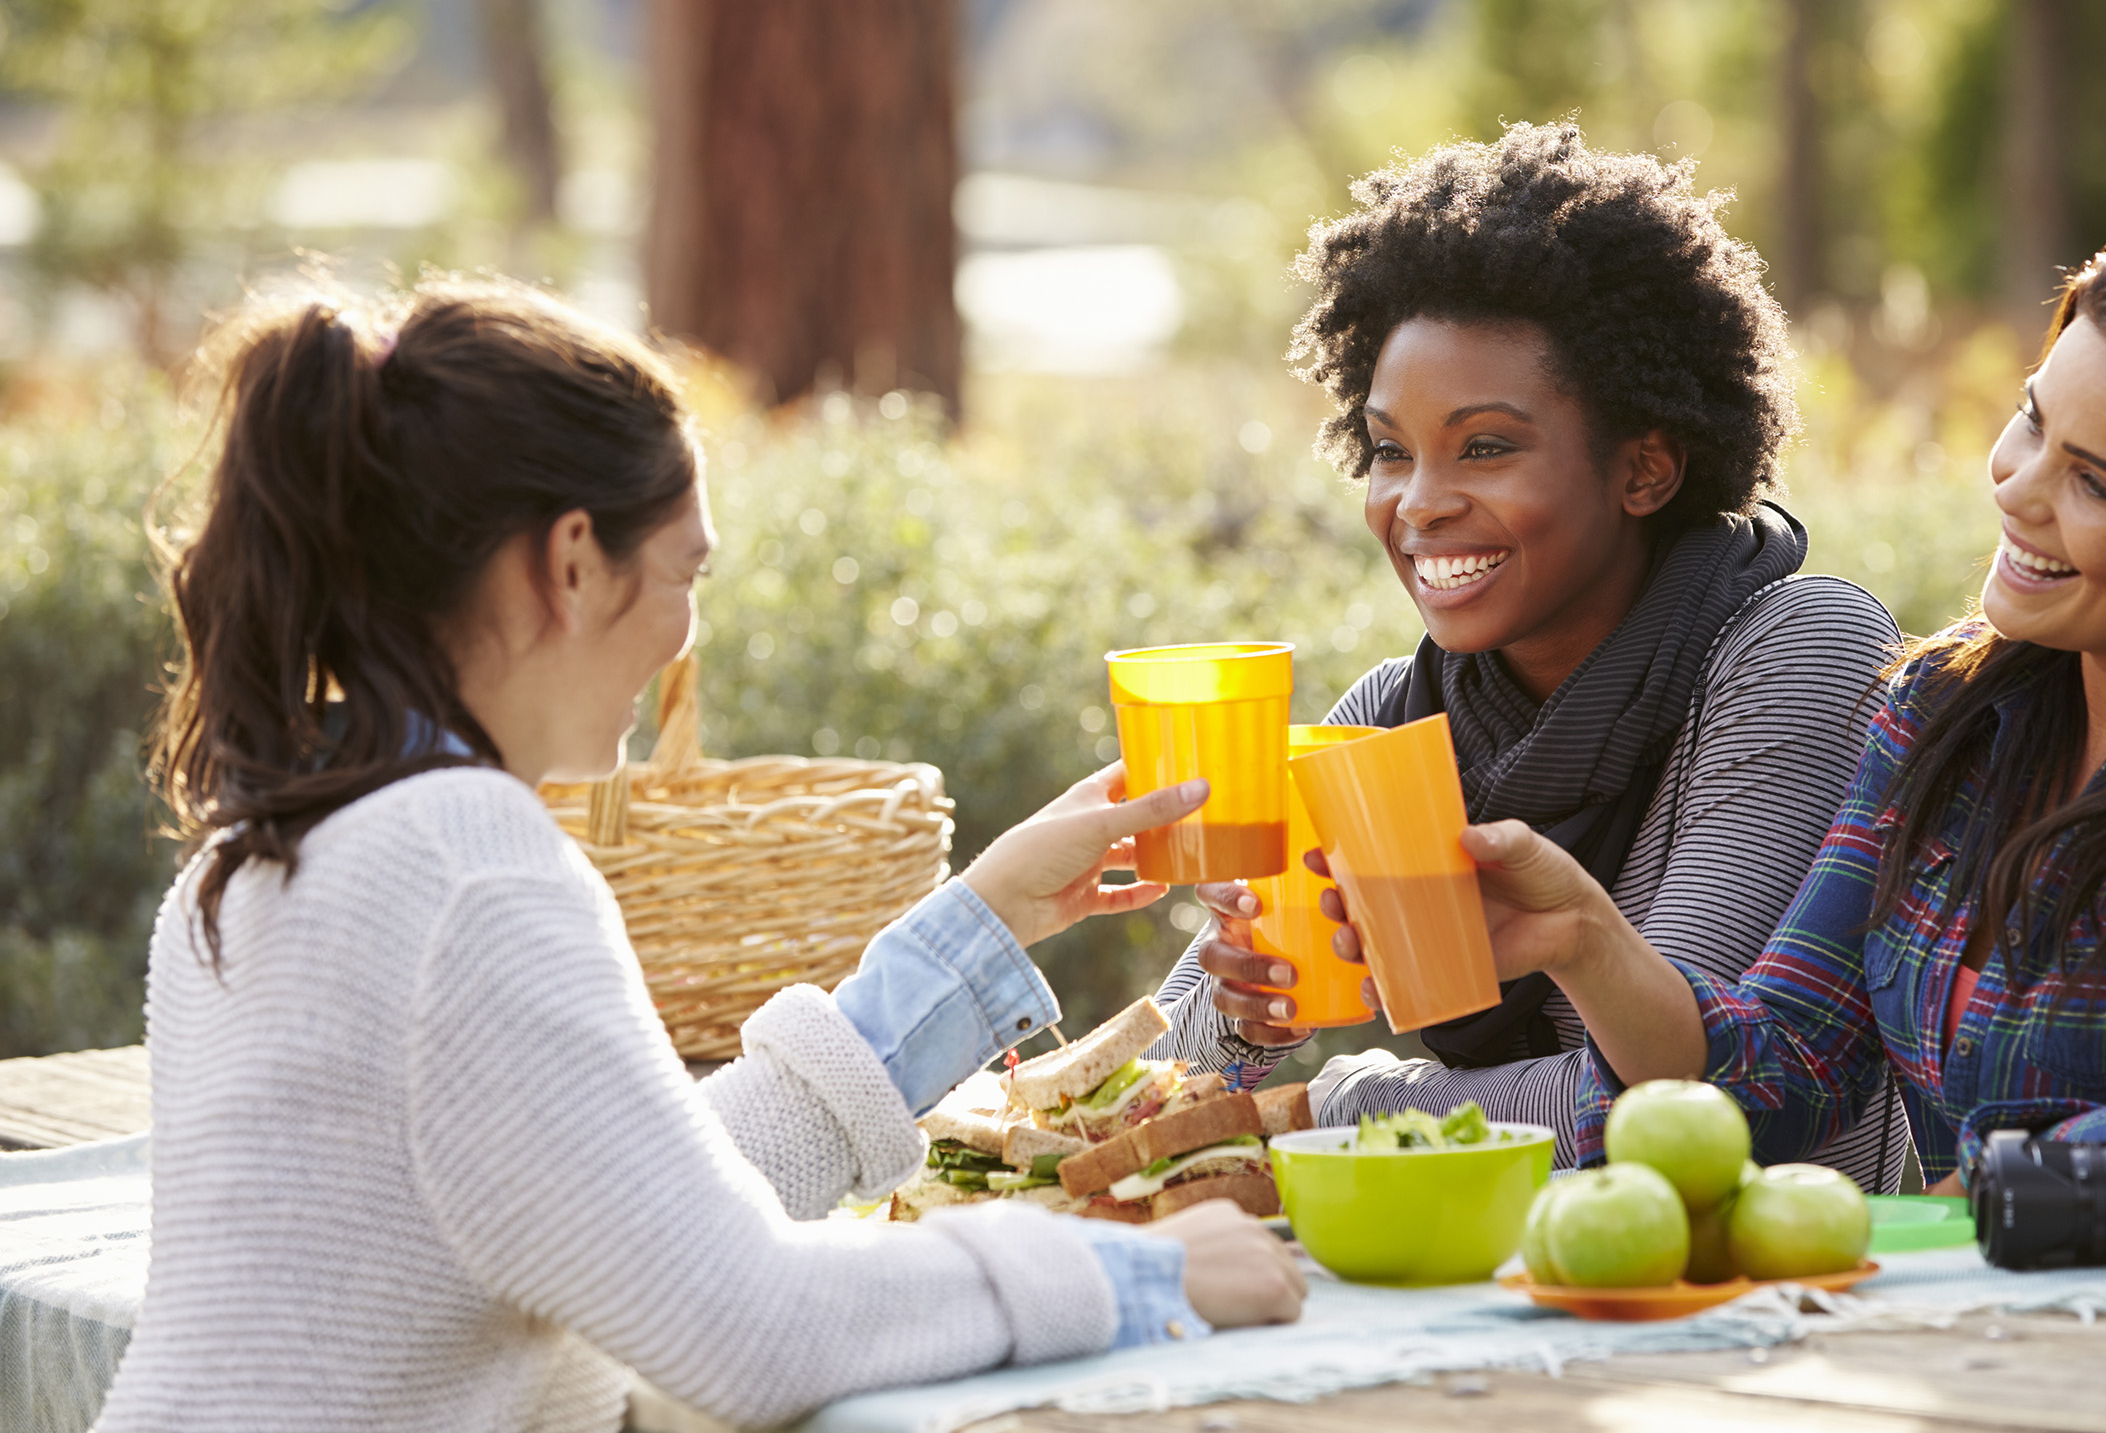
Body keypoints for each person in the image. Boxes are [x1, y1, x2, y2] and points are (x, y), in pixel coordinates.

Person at [99, 281, 1302, 1433]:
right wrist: (1133, 1271)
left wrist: (982, 923)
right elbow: (749, 1324)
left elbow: (630, 1203)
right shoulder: (470, 868)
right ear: (572, 561)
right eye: (688, 571)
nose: (688, 636)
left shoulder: (260, 860)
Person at [1319, 217, 2106, 1240]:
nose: (2019, 489)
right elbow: (1777, 1069)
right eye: (2032, 419)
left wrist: (1939, 1216)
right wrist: (1583, 940)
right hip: (1968, 1336)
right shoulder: (1947, 718)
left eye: (2098, 485)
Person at [1149, 121, 1911, 1186]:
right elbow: (1148, 1097)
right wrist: (1244, 1020)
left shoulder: (1797, 653)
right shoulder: (1397, 717)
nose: (1419, 504)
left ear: (1643, 469)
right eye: (1389, 450)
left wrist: (1333, 1104)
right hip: (1506, 1304)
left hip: (1782, 1307)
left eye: (1487, 447)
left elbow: (1670, 1101)